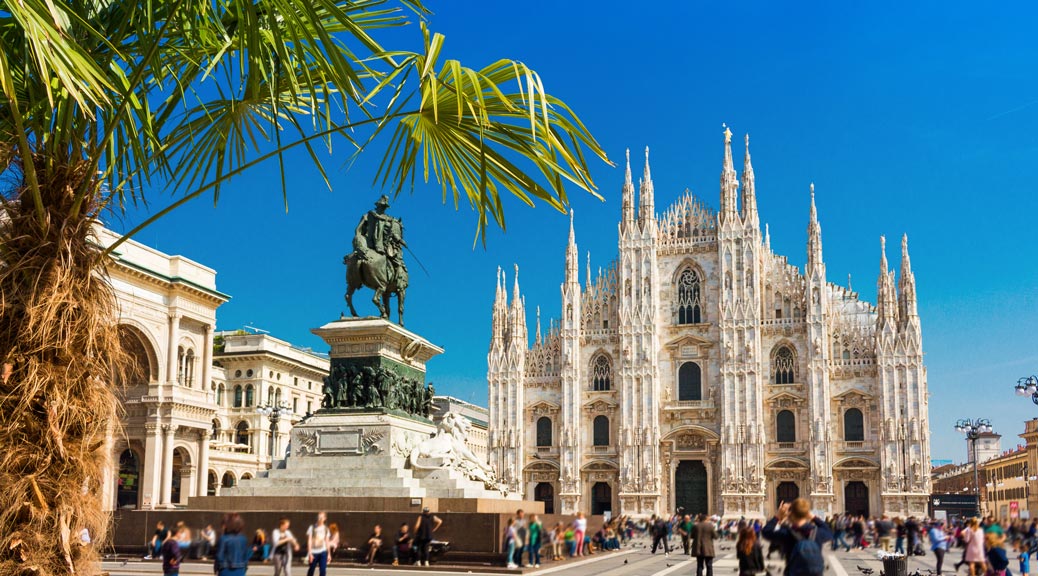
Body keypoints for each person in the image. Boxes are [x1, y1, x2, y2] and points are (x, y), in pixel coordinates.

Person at [761, 498, 833, 576]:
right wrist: (813, 517)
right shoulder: (817, 533)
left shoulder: (786, 533)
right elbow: (828, 531)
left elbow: (766, 531)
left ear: (791, 514)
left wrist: (778, 515)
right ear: (807, 514)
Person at [306, 512, 330, 576]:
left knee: (323, 570)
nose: (319, 519)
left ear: (325, 518)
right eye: (318, 517)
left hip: (323, 552)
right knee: (311, 569)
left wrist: (329, 554)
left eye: (321, 517)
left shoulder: (326, 529)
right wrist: (310, 553)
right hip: (314, 552)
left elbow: (327, 541)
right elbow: (309, 540)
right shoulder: (312, 528)